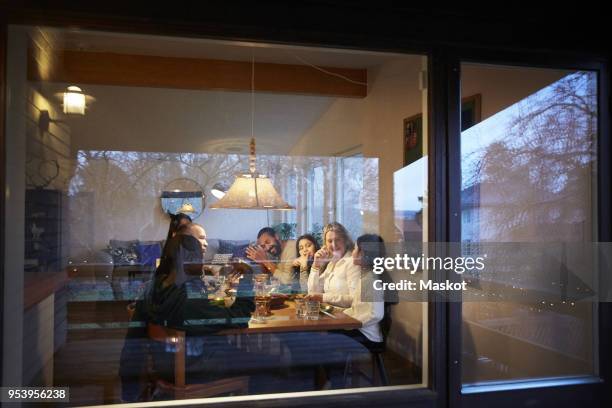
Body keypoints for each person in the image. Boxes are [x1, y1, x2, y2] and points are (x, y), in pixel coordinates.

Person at [119, 222, 255, 401]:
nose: (204, 247)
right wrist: (247, 278)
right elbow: (239, 318)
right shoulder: (188, 298)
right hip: (190, 368)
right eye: (198, 248)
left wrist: (129, 395)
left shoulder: (154, 288)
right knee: (255, 360)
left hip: (162, 364)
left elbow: (131, 346)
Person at [306, 222, 360, 307]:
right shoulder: (331, 264)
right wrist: (315, 266)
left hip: (346, 317)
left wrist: (324, 297)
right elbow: (313, 292)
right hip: (330, 315)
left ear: (345, 240)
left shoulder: (353, 262)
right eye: (330, 241)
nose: (334, 245)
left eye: (337, 239)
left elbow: (354, 299)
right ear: (325, 245)